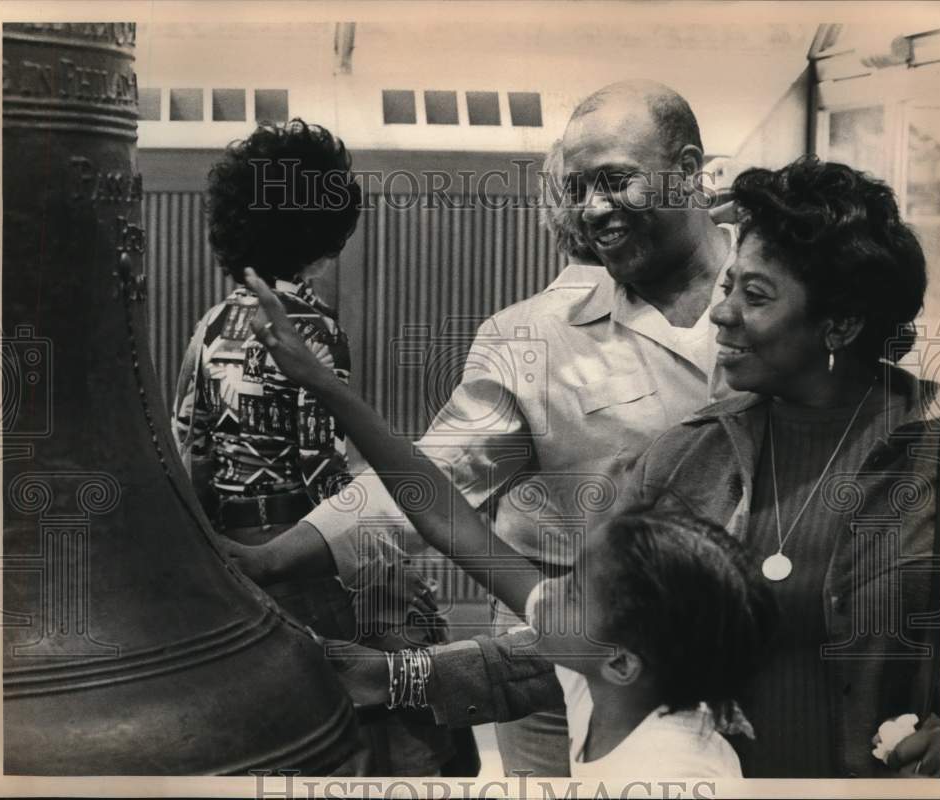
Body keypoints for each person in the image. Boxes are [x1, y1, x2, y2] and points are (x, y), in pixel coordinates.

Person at [356, 157, 940, 779]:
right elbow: (602, 639)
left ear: (841, 324)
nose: (722, 313)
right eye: (728, 285)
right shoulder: (688, 456)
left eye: (757, 295)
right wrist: (406, 677)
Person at [223, 80, 738, 776]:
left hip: (780, 682)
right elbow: (433, 487)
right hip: (582, 675)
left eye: (616, 181)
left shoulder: (785, 287)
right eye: (579, 188)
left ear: (687, 167)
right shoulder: (530, 336)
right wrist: (273, 558)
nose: (593, 211)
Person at [243, 265, 778, 778]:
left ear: (620, 662)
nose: (542, 594)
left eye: (570, 589)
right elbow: (443, 511)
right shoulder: (597, 674)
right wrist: (322, 383)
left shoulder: (677, 767)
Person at [170, 118, 459, 775]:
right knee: (389, 706)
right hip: (306, 551)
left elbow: (192, 449)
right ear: (323, 229)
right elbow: (321, 466)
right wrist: (380, 571)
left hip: (235, 553)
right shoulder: (315, 328)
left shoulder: (209, 325)